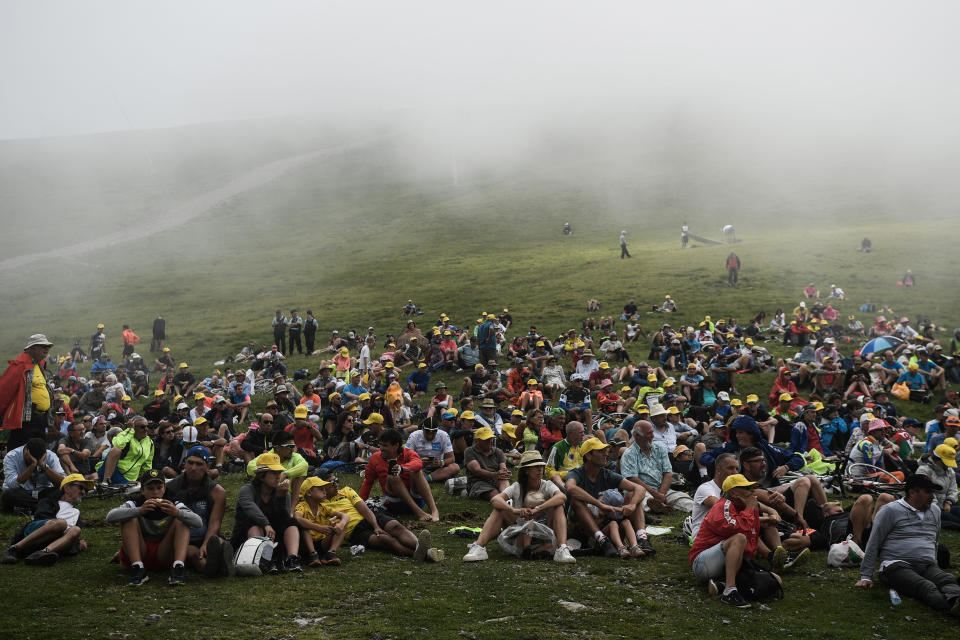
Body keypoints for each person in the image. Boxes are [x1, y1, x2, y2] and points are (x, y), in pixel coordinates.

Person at [855, 474, 960, 613]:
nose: (932, 497)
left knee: (947, 579)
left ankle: (955, 601)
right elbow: (874, 542)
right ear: (912, 492)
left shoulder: (934, 511)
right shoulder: (890, 510)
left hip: (926, 565)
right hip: (896, 565)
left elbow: (934, 540)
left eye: (932, 492)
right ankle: (950, 609)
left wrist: (934, 565)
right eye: (928, 492)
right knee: (926, 586)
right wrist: (866, 576)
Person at [463, 450, 575, 563]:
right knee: (500, 509)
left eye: (541, 466)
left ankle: (562, 548)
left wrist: (538, 509)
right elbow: (495, 499)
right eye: (535, 466)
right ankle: (479, 546)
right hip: (520, 533)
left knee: (558, 506)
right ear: (526, 470)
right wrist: (514, 510)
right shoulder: (517, 487)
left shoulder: (547, 485)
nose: (540, 469)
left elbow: (562, 497)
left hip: (546, 534)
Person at [690, 473, 780, 609]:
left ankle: (721, 584)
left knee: (776, 580)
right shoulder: (722, 506)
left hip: (724, 562)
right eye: (746, 488)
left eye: (751, 488)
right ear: (733, 492)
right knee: (739, 538)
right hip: (702, 562)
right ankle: (729, 591)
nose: (751, 492)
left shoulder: (745, 508)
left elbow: (750, 547)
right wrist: (750, 508)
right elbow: (739, 529)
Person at [317, 470, 442, 561]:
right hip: (355, 532)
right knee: (386, 540)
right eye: (331, 483)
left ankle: (422, 548)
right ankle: (425, 554)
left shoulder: (346, 491)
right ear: (321, 487)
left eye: (336, 480)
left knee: (395, 527)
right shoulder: (318, 505)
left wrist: (376, 526)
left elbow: (364, 509)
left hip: (371, 517)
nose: (336, 484)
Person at [106, 468, 202, 586]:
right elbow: (110, 517)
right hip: (142, 551)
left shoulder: (173, 503)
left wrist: (177, 513)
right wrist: (139, 511)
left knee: (182, 520)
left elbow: (198, 522)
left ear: (164, 489)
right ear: (142, 491)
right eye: (150, 489)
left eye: (159, 488)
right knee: (129, 518)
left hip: (164, 554)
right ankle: (138, 567)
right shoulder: (135, 503)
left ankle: (178, 567)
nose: (155, 493)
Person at [566, 437, 653, 558]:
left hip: (604, 524)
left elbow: (639, 488)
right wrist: (599, 504)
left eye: (605, 450)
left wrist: (632, 505)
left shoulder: (606, 474)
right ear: (589, 456)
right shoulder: (576, 473)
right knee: (576, 500)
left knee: (633, 495)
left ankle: (642, 538)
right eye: (601, 451)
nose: (605, 454)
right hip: (581, 530)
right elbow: (570, 488)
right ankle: (602, 541)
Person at [164, 446, 233, 577]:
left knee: (219, 543)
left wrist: (206, 544)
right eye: (190, 463)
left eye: (199, 464)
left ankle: (221, 561)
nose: (193, 468)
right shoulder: (171, 489)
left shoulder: (217, 492)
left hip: (206, 534)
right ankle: (216, 567)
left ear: (208, 466)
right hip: (183, 539)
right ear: (184, 463)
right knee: (197, 557)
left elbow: (215, 522)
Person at [0, 473, 93, 566]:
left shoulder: (76, 513)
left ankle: (42, 554)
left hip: (53, 542)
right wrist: (60, 527)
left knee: (76, 530)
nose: (83, 492)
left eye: (86, 490)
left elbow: (72, 535)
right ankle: (14, 549)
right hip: (36, 532)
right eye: (81, 488)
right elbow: (41, 517)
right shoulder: (49, 501)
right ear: (67, 488)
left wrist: (77, 543)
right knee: (61, 524)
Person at [232, 452, 302, 574]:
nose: (278, 476)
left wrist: (281, 498)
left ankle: (292, 559)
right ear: (261, 475)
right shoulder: (247, 490)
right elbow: (250, 508)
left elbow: (284, 519)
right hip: (247, 536)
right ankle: (262, 559)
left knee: (291, 523)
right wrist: (265, 523)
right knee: (254, 524)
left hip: (275, 536)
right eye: (273, 473)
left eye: (279, 473)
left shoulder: (283, 493)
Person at [359, 428, 440, 522]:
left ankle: (434, 511)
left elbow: (418, 463)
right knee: (392, 476)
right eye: (380, 445)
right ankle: (419, 513)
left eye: (385, 445)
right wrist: (360, 504)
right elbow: (368, 483)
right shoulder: (375, 458)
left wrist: (401, 468)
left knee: (418, 471)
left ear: (396, 446)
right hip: (394, 503)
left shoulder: (408, 453)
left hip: (416, 498)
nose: (381, 448)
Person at [620, 420, 693, 514]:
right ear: (637, 436)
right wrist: (655, 494)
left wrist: (661, 493)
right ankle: (658, 507)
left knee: (680, 497)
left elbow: (668, 473)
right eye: (649, 433)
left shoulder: (660, 448)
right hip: (640, 490)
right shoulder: (629, 454)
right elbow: (633, 479)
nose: (653, 436)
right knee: (640, 498)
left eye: (652, 432)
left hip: (661, 488)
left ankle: (693, 507)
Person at [0, 334, 55, 448]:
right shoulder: (19, 366)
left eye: (47, 346)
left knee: (38, 451)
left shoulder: (39, 366)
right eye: (42, 346)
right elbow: (4, 392)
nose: (46, 349)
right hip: (26, 420)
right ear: (31, 349)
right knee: (23, 450)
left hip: (40, 419)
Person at [295, 476, 348, 567]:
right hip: (305, 545)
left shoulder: (323, 507)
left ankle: (331, 553)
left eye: (324, 489)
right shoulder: (302, 506)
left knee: (342, 526)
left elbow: (345, 516)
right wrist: (318, 527)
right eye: (320, 489)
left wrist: (341, 524)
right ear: (309, 493)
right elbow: (297, 518)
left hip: (322, 543)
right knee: (305, 526)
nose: (325, 492)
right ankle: (312, 555)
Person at [2, 437, 65, 513]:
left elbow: (63, 482)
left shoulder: (51, 456)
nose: (35, 461)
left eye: (38, 459)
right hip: (23, 492)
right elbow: (12, 485)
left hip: (42, 491)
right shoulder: (11, 456)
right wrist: (32, 465)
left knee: (63, 490)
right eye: (30, 459)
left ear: (44, 453)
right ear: (25, 451)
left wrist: (43, 465)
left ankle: (31, 508)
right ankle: (44, 506)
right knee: (8, 494)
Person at [97, 417, 155, 487]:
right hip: (111, 472)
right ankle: (105, 483)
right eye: (142, 427)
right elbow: (117, 445)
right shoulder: (126, 434)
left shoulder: (150, 443)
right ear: (134, 428)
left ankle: (120, 483)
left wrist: (145, 478)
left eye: (147, 426)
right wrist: (130, 430)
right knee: (116, 450)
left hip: (128, 478)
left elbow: (147, 463)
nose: (146, 429)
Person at [463, 426, 510, 500]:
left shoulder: (498, 451)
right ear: (477, 441)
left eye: (491, 439)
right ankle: (504, 501)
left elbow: (503, 468)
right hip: (478, 482)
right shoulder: (469, 451)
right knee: (494, 494)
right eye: (486, 439)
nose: (490, 441)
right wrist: (496, 474)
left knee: (504, 480)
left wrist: (505, 473)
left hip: (496, 479)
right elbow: (477, 471)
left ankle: (507, 500)